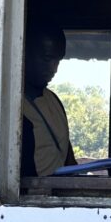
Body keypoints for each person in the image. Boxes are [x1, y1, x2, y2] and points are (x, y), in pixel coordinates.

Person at [21, 23, 76, 176]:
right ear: (24, 52)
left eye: (58, 60)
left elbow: (68, 158)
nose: (54, 68)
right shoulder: (9, 105)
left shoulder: (54, 101)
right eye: (46, 59)